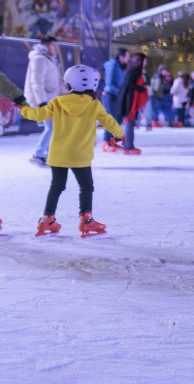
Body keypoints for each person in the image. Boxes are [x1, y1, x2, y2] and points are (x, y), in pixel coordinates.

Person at [17, 64, 123, 238]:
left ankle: (47, 219)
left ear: (68, 84)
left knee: (56, 186)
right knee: (86, 187)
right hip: (80, 156)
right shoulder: (94, 104)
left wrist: (24, 111)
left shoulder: (58, 102)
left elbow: (39, 115)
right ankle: (86, 220)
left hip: (58, 154)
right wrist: (119, 135)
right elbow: (108, 121)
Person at [25, 36, 65, 168]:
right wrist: (42, 104)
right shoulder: (39, 59)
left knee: (53, 127)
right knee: (51, 127)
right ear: (46, 45)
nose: (56, 48)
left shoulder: (48, 59)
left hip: (50, 100)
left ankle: (46, 154)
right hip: (44, 101)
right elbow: (36, 83)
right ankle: (38, 154)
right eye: (54, 45)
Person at [119, 53, 149, 154]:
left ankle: (129, 146)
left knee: (130, 123)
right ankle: (128, 147)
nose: (146, 63)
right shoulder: (134, 70)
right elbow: (129, 83)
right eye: (144, 60)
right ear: (139, 61)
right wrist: (142, 89)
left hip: (130, 98)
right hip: (130, 99)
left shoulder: (134, 70)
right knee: (129, 122)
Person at [101, 47, 129, 147]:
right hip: (110, 95)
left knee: (118, 119)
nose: (128, 59)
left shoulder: (120, 67)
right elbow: (109, 84)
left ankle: (112, 140)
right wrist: (119, 92)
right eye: (127, 56)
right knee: (110, 119)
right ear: (120, 56)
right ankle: (106, 142)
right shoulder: (112, 66)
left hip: (116, 95)